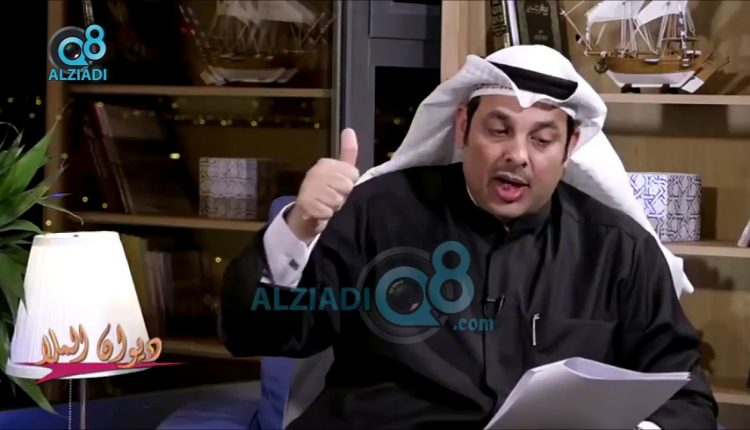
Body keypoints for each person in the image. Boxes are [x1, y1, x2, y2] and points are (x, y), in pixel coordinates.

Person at [220, 45, 717, 429]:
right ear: (462, 127)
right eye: (498, 130)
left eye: (542, 139)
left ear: (570, 148)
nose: (517, 155)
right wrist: (299, 227)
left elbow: (684, 390)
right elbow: (254, 333)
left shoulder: (619, 250)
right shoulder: (376, 213)